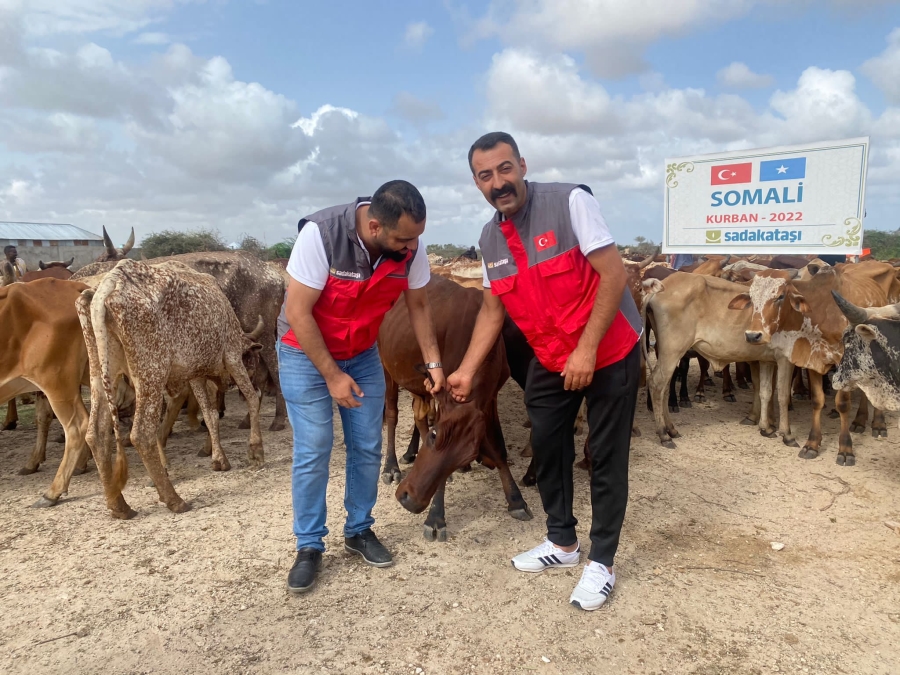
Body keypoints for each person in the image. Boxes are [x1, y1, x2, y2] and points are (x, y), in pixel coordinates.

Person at [447, 132, 641, 611]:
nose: (498, 182)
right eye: (486, 175)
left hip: (608, 347)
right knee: (547, 442)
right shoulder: (490, 238)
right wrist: (467, 370)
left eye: (505, 168)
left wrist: (588, 349)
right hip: (553, 356)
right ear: (476, 182)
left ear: (523, 165)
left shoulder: (571, 202)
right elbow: (493, 311)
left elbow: (614, 275)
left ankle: (603, 562)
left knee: (605, 454)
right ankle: (562, 543)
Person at [277, 180, 445, 594]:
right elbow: (298, 311)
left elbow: (419, 305)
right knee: (314, 447)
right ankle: (309, 546)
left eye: (416, 238)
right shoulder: (321, 235)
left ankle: (359, 530)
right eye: (403, 239)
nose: (411, 249)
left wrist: (434, 362)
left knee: (367, 446)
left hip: (362, 353)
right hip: (305, 353)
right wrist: (333, 376)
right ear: (373, 227)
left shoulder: (410, 245)